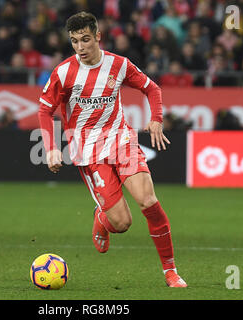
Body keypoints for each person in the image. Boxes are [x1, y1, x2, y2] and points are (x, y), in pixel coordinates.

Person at [37, 12, 187, 288]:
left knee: (148, 201)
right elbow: (45, 110)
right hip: (87, 151)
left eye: (85, 40)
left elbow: (152, 89)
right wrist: (51, 149)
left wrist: (156, 119)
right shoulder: (64, 72)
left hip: (121, 141)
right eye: (74, 41)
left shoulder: (118, 65)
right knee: (122, 223)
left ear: (97, 37)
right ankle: (103, 219)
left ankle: (170, 271)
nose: (80, 47)